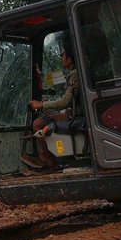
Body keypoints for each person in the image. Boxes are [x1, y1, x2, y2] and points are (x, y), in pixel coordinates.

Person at [22, 39, 79, 172]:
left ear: (70, 59)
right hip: (73, 111)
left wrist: (42, 105)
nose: (61, 57)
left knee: (38, 124)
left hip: (75, 114)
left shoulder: (75, 74)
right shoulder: (72, 73)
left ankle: (47, 159)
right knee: (47, 117)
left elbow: (66, 101)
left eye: (63, 54)